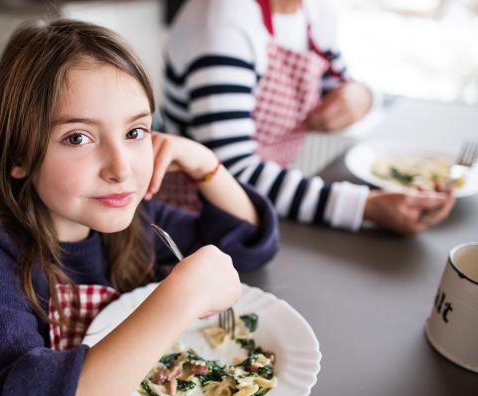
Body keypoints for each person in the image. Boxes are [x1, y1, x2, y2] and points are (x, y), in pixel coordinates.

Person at [0, 19, 279, 396]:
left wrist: (206, 165)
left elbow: (246, 246)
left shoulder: (137, 219)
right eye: (78, 137)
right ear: (18, 153)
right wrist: (180, 298)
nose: (121, 168)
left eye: (134, 132)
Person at [161, 0, 455, 235]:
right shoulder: (223, 20)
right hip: (198, 220)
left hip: (272, 204)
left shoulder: (311, 10)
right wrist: (365, 207)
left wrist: (363, 96)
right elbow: (230, 172)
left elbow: (336, 81)